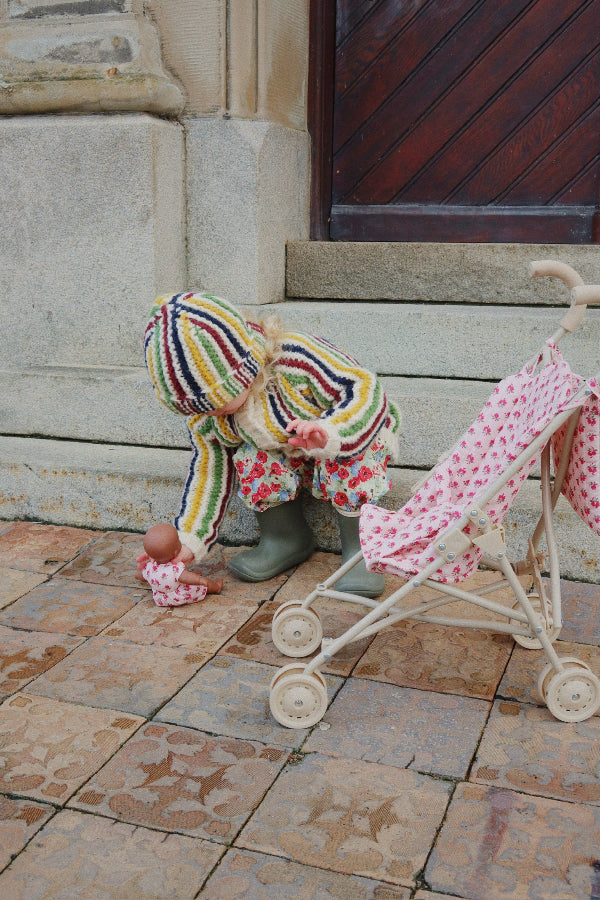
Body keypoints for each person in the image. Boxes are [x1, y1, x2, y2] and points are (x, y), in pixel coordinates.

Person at [141, 292, 401, 598]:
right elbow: (208, 473)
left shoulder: (294, 359)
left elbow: (363, 388)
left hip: (347, 439)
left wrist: (330, 433)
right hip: (293, 457)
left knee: (348, 458)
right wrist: (190, 540)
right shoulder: (209, 417)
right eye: (198, 408)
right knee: (251, 457)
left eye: (217, 402)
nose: (209, 413)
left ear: (244, 366)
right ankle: (285, 537)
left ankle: (361, 549)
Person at [140, 523, 223, 607]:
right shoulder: (174, 570)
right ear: (176, 551)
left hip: (161, 599)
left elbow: (140, 576)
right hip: (179, 597)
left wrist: (139, 575)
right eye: (178, 540)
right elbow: (185, 578)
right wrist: (200, 580)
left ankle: (195, 576)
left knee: (188, 577)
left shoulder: (149, 567)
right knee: (202, 585)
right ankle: (216, 588)